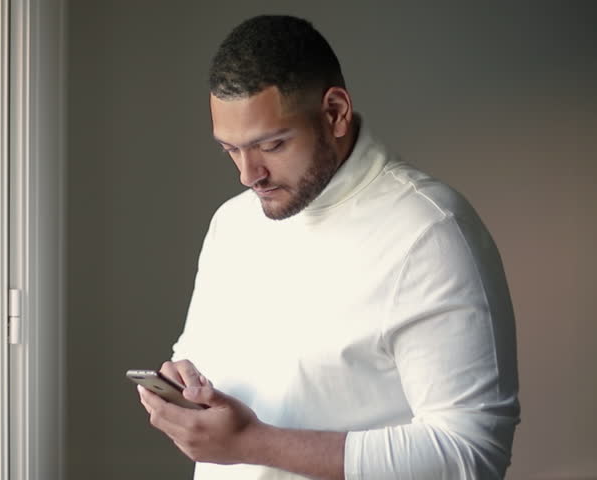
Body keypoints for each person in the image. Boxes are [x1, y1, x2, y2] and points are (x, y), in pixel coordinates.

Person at [136, 14, 520, 480]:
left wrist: (254, 444)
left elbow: (470, 454)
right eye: (231, 150)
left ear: (335, 112)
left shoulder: (430, 233)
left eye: (272, 145)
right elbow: (200, 360)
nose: (248, 175)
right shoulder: (231, 224)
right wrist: (182, 386)